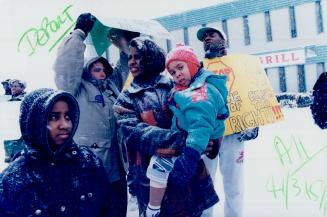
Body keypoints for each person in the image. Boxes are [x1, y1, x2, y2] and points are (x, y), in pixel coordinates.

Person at [114, 36, 218, 217]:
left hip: (187, 173)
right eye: (130, 57)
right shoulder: (126, 99)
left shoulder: (178, 85)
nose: (131, 61)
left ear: (151, 57)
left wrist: (210, 139)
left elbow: (202, 112)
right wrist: (183, 141)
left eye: (137, 56)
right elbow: (137, 135)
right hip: (152, 180)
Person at [53, 13, 139, 217]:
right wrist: (79, 33)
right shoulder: (75, 90)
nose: (101, 73)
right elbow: (66, 67)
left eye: (103, 70)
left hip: (117, 172)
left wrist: (127, 45)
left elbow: (124, 66)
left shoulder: (112, 87)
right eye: (95, 69)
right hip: (88, 171)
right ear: (85, 72)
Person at [145, 44, 229, 217]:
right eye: (173, 72)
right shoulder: (190, 88)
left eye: (180, 67)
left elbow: (200, 127)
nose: (177, 74)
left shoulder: (200, 93)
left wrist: (189, 159)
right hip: (192, 140)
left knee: (159, 165)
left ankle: (152, 210)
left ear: (192, 65)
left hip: (196, 144)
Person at [0, 88, 110, 216]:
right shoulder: (12, 180)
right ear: (34, 123)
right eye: (54, 117)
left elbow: (109, 208)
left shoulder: (89, 162)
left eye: (68, 116)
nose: (65, 125)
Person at [196, 26, 259, 217]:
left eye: (211, 35)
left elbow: (251, 93)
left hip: (234, 134)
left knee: (234, 185)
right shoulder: (199, 69)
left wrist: (253, 123)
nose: (207, 39)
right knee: (204, 185)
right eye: (204, 37)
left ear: (224, 39)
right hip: (207, 136)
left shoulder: (239, 66)